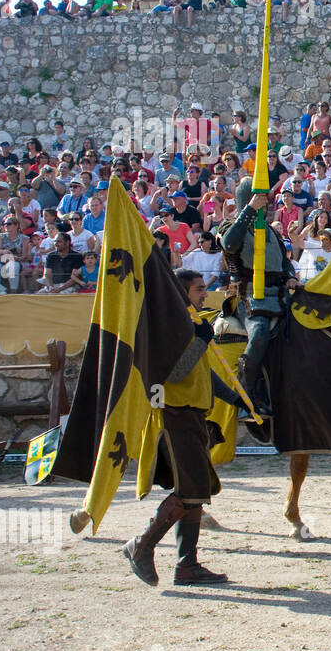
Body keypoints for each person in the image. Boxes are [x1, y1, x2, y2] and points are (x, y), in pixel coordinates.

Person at [120, 269, 243, 587]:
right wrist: (200, 341)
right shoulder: (171, 329)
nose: (206, 294)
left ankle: (187, 566)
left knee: (196, 492)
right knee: (191, 490)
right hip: (177, 415)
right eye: (199, 289)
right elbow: (176, 373)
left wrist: (235, 398)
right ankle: (142, 546)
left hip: (194, 415)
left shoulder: (192, 325)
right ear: (181, 293)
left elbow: (204, 374)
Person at [219, 179, 299, 415]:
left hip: (280, 294)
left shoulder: (272, 232)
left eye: (265, 200)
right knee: (260, 332)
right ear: (248, 199)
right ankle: (246, 394)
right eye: (260, 199)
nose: (266, 204)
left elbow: (285, 264)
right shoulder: (229, 225)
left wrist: (291, 276)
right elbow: (230, 245)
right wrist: (250, 210)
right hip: (249, 296)